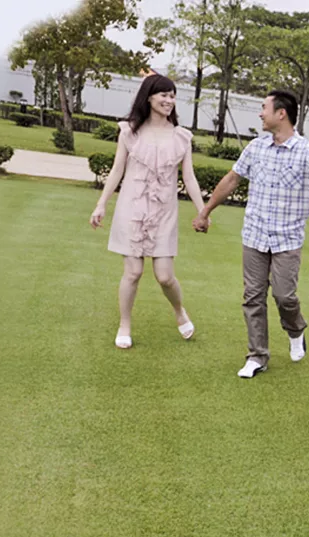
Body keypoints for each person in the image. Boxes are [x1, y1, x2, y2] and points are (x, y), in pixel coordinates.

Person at [193, 90, 309, 378]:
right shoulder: (256, 147)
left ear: (281, 113)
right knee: (253, 296)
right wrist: (205, 212)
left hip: (288, 239)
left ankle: (295, 329)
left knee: (285, 296)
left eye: (264, 108)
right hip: (254, 235)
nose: (260, 113)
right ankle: (257, 356)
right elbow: (232, 179)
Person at [89, 73, 204, 349]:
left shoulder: (181, 137)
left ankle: (179, 311)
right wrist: (101, 203)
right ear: (149, 97)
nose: (169, 100)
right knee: (133, 272)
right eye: (164, 95)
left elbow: (189, 178)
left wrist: (202, 210)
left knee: (164, 275)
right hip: (132, 209)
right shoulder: (129, 132)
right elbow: (117, 169)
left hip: (164, 212)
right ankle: (124, 325)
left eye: (173, 96)